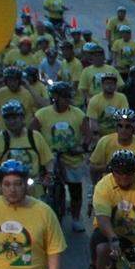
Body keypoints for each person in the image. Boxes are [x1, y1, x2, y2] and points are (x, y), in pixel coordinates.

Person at [33, 82, 90, 231]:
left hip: (72, 158)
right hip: (49, 158)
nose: (67, 100)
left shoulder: (78, 114)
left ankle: (76, 219)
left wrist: (81, 147)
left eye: (68, 97)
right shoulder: (42, 114)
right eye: (64, 97)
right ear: (55, 98)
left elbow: (87, 135)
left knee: (76, 190)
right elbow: (31, 134)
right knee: (41, 186)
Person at [0, 101, 54, 196]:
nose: (12, 122)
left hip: (32, 185)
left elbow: (48, 160)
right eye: (8, 119)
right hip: (8, 186)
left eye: (14, 118)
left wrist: (49, 174)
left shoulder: (35, 136)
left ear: (22, 118)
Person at [90, 110, 135, 181]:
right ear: (116, 127)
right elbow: (92, 167)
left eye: (127, 126)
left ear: (133, 128)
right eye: (120, 126)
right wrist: (107, 168)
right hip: (108, 185)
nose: (123, 130)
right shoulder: (104, 141)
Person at [86, 72, 129, 140]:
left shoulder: (122, 97)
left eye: (112, 83)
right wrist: (97, 136)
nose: (110, 85)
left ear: (115, 85)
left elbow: (124, 116)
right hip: (101, 135)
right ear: (102, 85)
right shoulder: (94, 100)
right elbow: (93, 121)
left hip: (118, 133)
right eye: (107, 83)